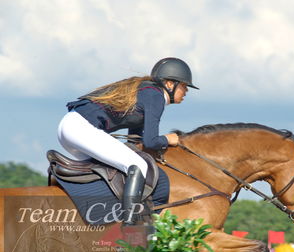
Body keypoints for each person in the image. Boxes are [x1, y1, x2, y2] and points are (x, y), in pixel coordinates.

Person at [57, 57, 199, 225]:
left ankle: (100, 215)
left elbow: (136, 139)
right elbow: (151, 141)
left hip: (69, 128)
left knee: (112, 169)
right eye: (184, 86)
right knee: (138, 166)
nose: (186, 91)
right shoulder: (156, 96)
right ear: (169, 84)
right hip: (80, 129)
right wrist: (168, 139)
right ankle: (130, 225)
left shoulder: (147, 92)